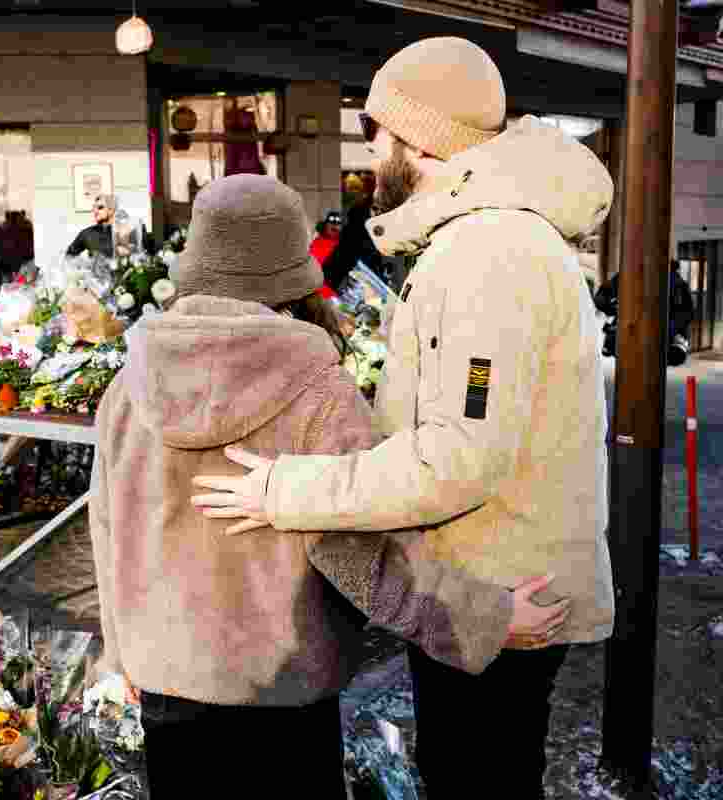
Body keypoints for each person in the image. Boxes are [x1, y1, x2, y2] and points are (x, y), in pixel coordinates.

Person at [189, 38, 615, 800]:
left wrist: (287, 489)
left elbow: (458, 457)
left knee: (477, 777)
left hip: (501, 592)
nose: (370, 146)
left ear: (421, 140)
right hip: (493, 577)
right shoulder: (485, 239)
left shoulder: (489, 254)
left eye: (378, 129)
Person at [91, 173, 568, 797]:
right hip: (281, 687)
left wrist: (121, 651)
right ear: (290, 267)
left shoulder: (128, 384)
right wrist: (487, 617)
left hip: (166, 686)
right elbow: (359, 549)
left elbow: (106, 527)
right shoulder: (315, 387)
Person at [322, 195, 387, 291]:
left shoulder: (369, 234)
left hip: (360, 286)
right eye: (375, 209)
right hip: (352, 288)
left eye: (381, 210)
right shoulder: (356, 234)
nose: (378, 213)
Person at [65, 194, 116, 258]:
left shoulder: (122, 233)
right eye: (94, 208)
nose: (95, 211)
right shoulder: (87, 233)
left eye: (100, 208)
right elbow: (68, 257)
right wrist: (83, 264)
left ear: (111, 210)